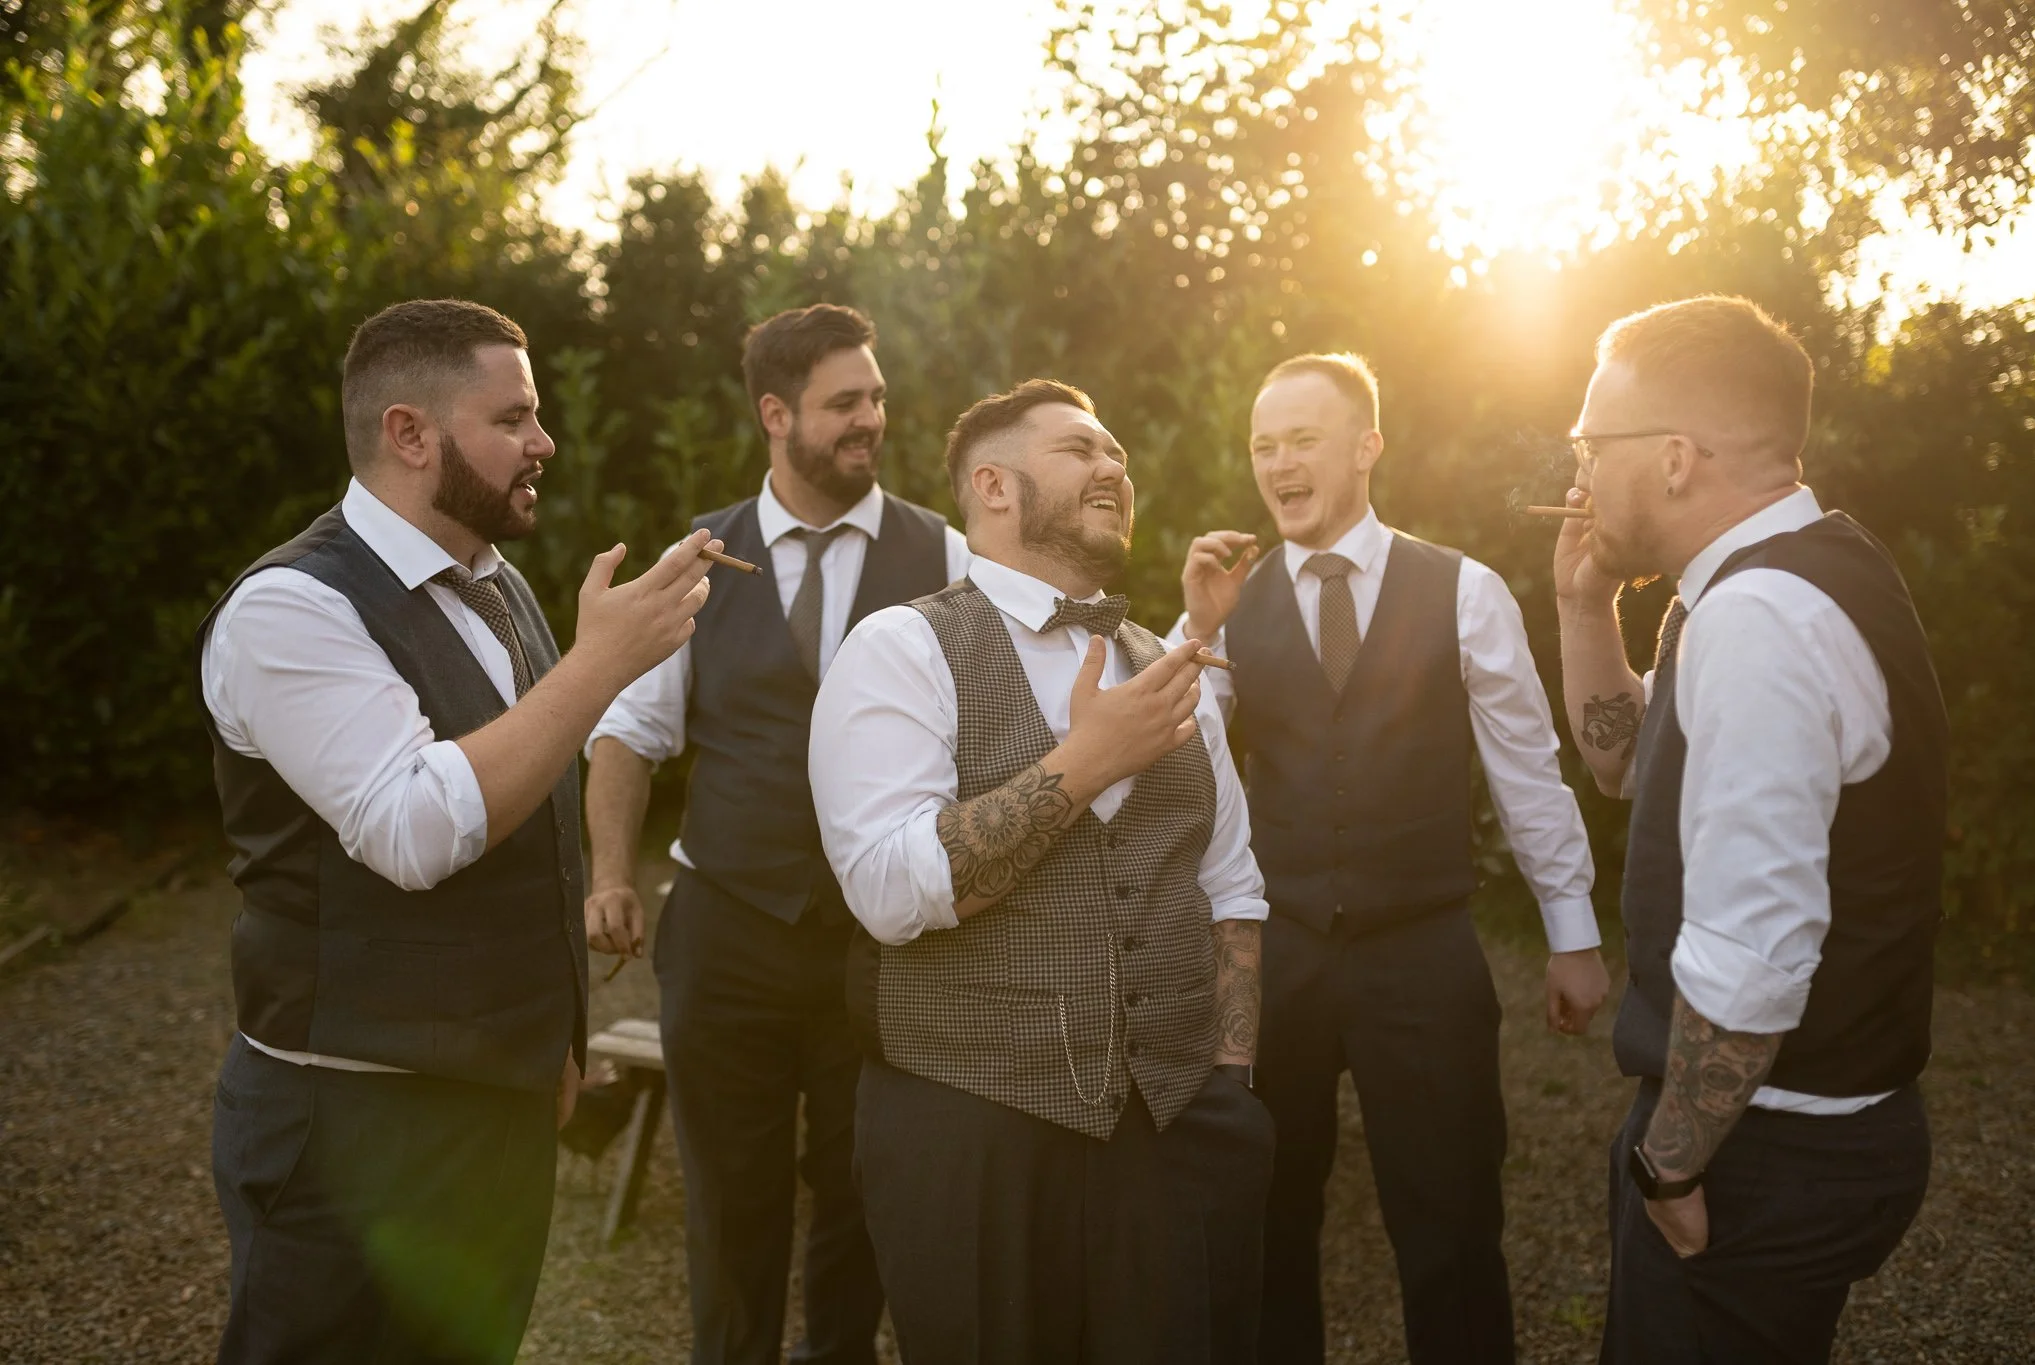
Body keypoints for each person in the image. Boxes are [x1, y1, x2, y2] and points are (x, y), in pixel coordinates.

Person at [199, 298, 719, 1364]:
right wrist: (598, 666)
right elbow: (413, 827)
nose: (545, 442)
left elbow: (531, 830)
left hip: (497, 1111)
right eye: (514, 418)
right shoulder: (289, 609)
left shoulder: (495, 585)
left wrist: (551, 1050)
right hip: (351, 1130)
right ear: (409, 434)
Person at [810, 379, 1274, 1363]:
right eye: (1078, 450)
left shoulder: (1168, 665)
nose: (1113, 466)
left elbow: (1227, 882)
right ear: (994, 487)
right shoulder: (900, 648)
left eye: (1117, 452)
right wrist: (1084, 761)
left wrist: (1227, 1075)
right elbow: (891, 893)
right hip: (970, 1128)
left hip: (1171, 1128)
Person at [1174, 352, 1607, 1365]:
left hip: (1421, 954)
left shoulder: (1463, 590)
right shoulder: (1229, 604)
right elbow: (1167, 751)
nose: (1278, 464)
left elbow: (1525, 772)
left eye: (1302, 441)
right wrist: (1194, 630)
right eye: (1261, 446)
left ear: (1366, 447)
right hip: (1276, 957)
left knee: (1450, 1227)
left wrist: (1572, 934)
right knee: (1266, 1221)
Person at [1553, 295, 1944, 1364]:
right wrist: (1584, 607)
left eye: (1591, 442)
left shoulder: (1757, 617)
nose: (1576, 474)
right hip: (1787, 1134)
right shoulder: (1766, 576)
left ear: (1674, 458)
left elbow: (1753, 949)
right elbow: (1625, 764)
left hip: (1764, 1150)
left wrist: (1669, 1165)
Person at [582, 304, 969, 1365]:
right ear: (774, 413)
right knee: (730, 1203)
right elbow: (628, 730)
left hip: (882, 940)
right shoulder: (699, 559)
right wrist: (609, 873)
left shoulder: (944, 553)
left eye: (876, 398)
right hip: (727, 933)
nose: (870, 421)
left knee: (864, 1194)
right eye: (844, 402)